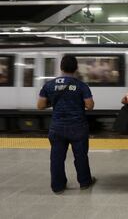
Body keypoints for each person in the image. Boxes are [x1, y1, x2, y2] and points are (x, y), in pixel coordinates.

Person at [37, 55, 96, 194]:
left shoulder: (49, 85)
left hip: (57, 127)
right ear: (76, 68)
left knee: (57, 157)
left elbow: (40, 105)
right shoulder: (81, 86)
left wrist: (53, 103)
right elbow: (90, 106)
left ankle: (58, 186)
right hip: (78, 126)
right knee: (80, 156)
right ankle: (84, 182)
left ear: (61, 67)